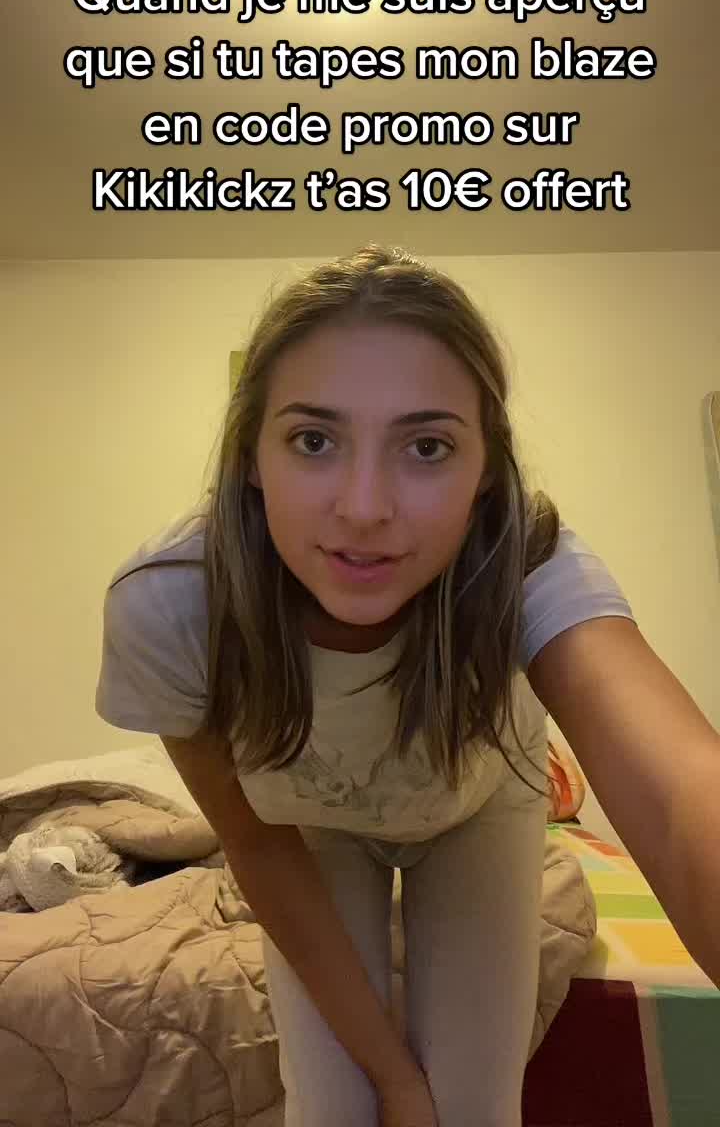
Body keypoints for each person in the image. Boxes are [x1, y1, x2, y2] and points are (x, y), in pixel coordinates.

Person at [96, 245, 720, 1127]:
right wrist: (393, 1077)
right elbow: (257, 844)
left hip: (479, 807)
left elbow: (683, 790)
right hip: (310, 822)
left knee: (474, 1107)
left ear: (486, 470)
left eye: (427, 446)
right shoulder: (171, 604)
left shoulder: (527, 564)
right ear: (251, 456)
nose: (364, 508)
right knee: (331, 1107)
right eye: (314, 441)